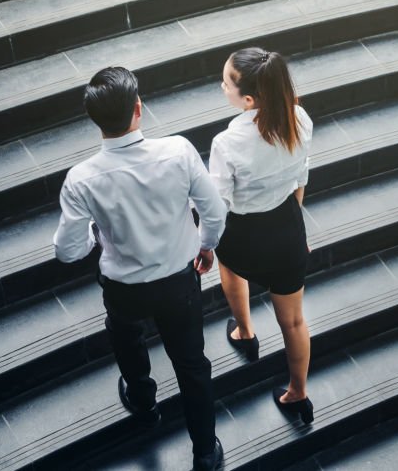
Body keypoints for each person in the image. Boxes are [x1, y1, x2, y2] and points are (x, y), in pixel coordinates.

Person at [52, 66, 226, 471]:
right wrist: (206, 246)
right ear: (138, 109)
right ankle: (204, 452)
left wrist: (96, 236)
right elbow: (214, 212)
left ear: (95, 121)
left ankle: (144, 401)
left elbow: (67, 251)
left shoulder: (81, 180)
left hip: (124, 286)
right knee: (192, 364)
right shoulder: (179, 152)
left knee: (126, 339)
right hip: (179, 281)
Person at [208, 47, 315, 424]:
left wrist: (206, 246)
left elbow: (218, 206)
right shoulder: (299, 118)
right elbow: (300, 176)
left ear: (249, 99)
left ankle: (245, 332)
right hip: (286, 227)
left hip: (243, 233)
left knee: (232, 270)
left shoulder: (227, 144)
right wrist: (295, 225)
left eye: (226, 83)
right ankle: (298, 395)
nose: (222, 87)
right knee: (295, 321)